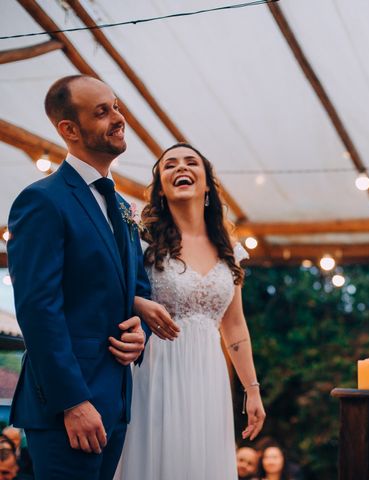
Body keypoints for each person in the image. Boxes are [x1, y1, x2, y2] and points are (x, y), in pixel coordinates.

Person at [7, 75, 152, 479]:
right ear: (69, 129)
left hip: (115, 401)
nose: (118, 118)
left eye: (117, 106)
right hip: (67, 409)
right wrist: (72, 402)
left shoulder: (121, 205)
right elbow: (38, 308)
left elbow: (135, 290)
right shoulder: (42, 200)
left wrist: (141, 333)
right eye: (101, 112)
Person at [117, 143, 266, 479]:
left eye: (190, 162)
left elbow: (235, 325)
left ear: (207, 184)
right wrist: (137, 303)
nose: (180, 168)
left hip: (209, 375)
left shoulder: (228, 248)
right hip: (156, 371)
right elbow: (113, 294)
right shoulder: (142, 241)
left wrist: (252, 390)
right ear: (160, 188)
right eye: (169, 165)